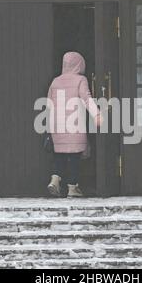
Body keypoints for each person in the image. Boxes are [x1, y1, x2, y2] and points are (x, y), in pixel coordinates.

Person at [46, 52, 101, 198]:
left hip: (57, 124)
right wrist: (96, 114)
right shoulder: (80, 80)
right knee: (74, 157)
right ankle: (72, 188)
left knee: (60, 155)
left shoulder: (55, 81)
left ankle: (55, 179)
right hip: (75, 124)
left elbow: (49, 104)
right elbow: (87, 99)